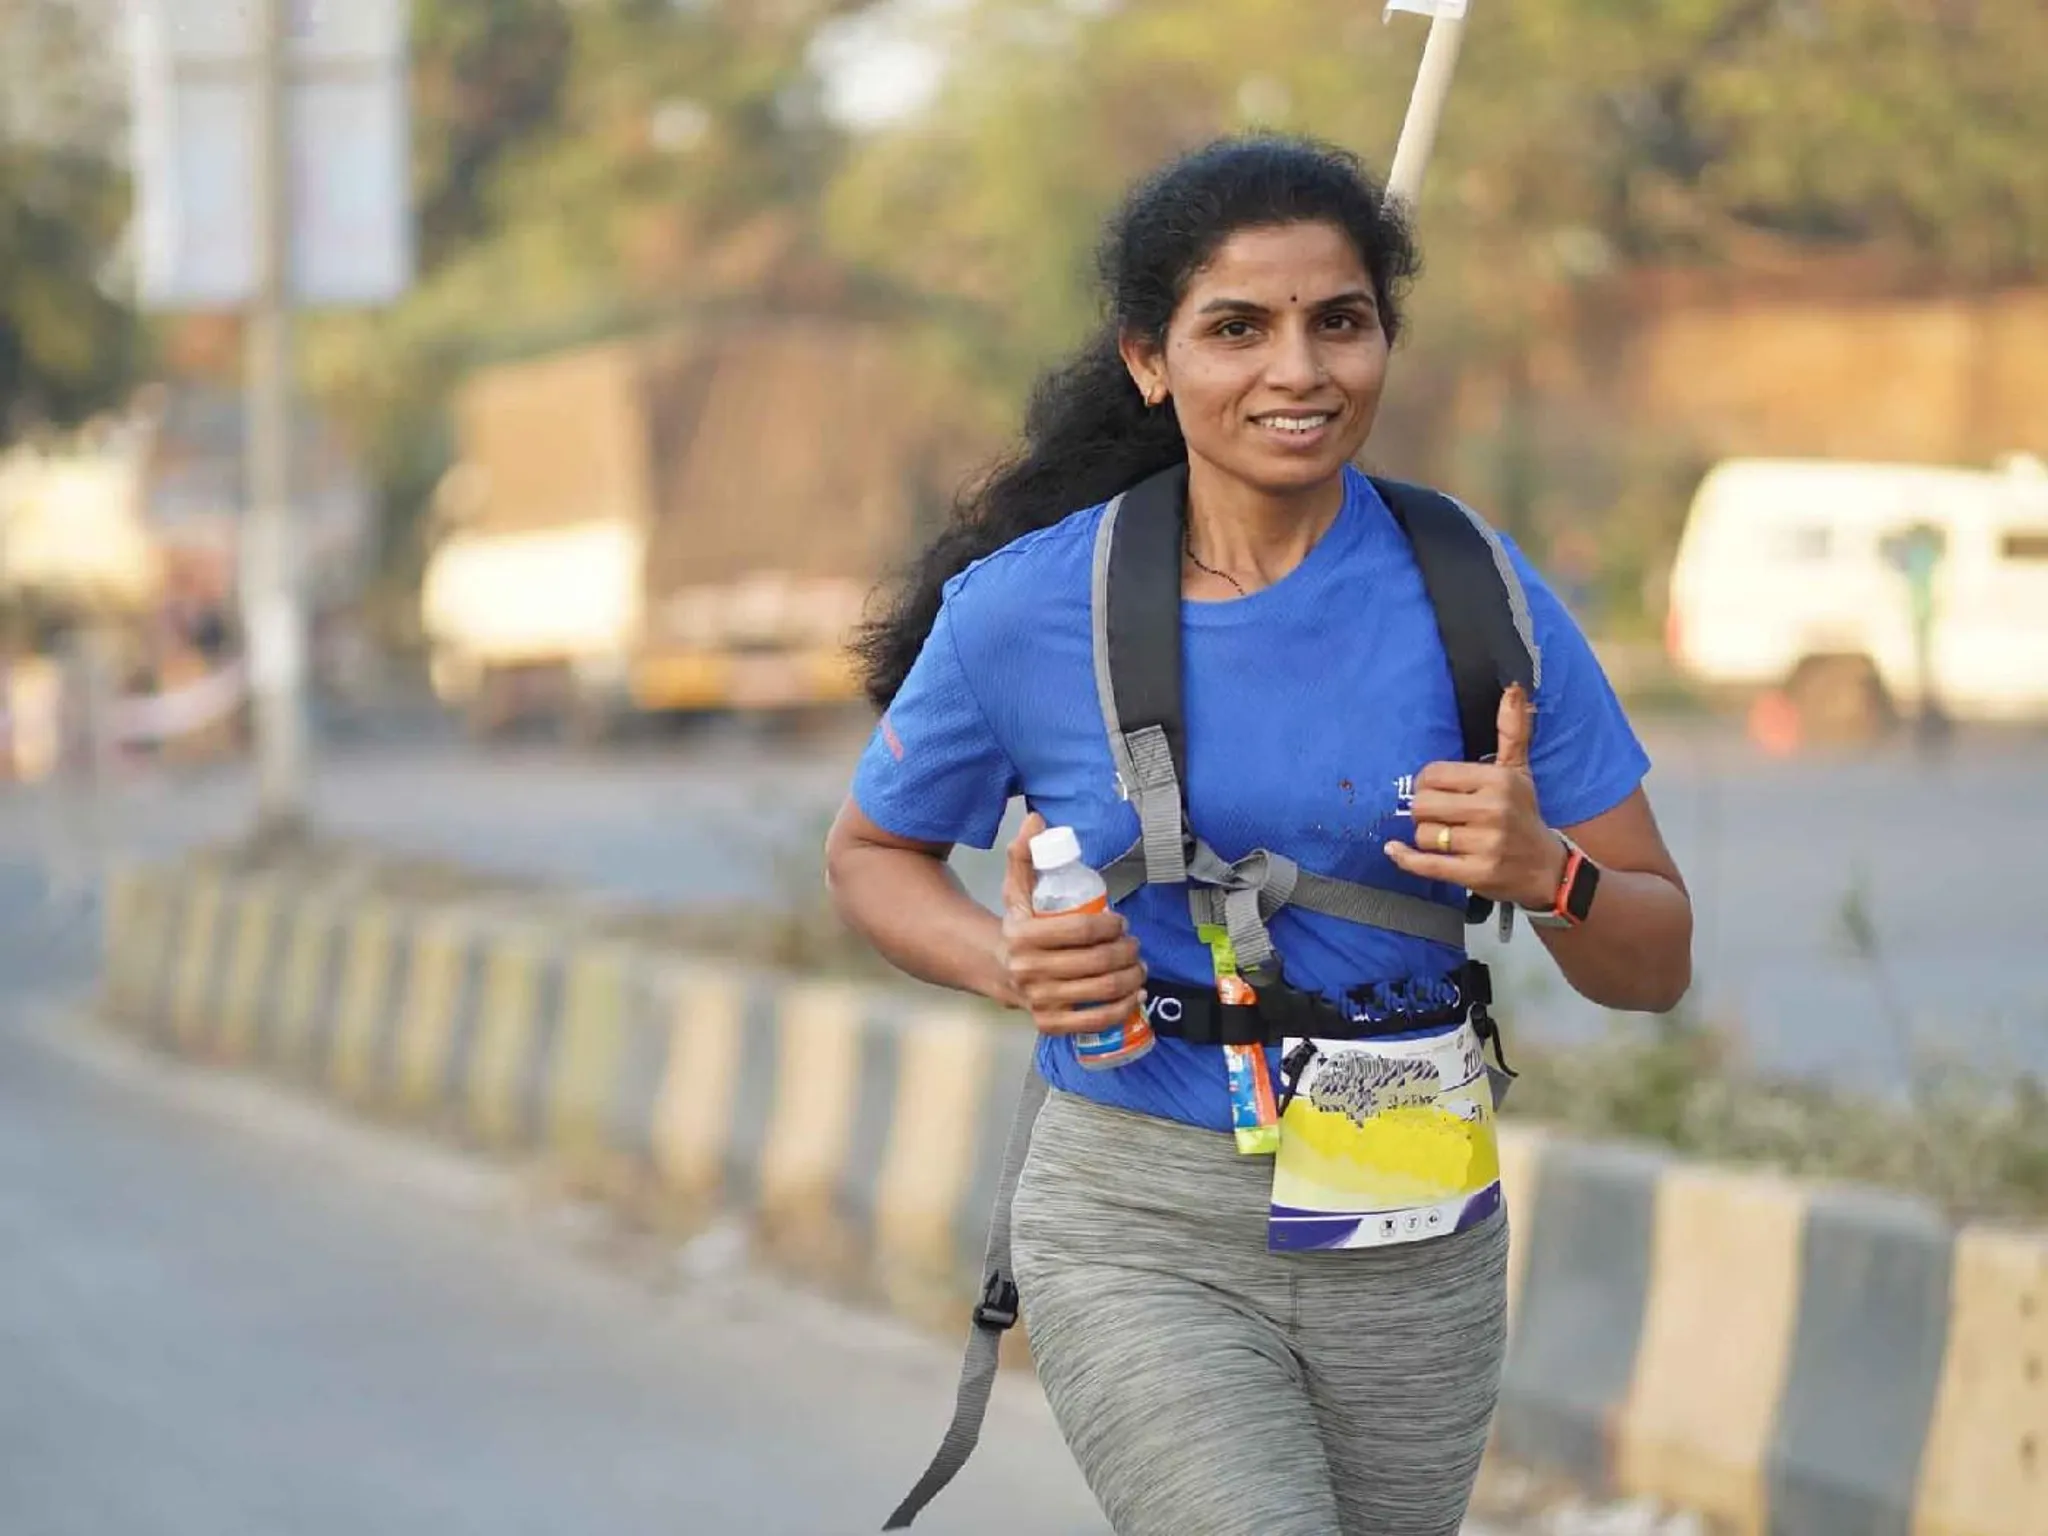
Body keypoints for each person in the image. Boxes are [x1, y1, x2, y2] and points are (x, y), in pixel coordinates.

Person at [824, 135, 1693, 1536]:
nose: (1298, 370)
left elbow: (1653, 960)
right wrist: (1007, 965)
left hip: (1412, 1214)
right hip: (1139, 1219)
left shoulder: (1478, 591)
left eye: (1337, 321)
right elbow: (869, 853)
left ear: (1381, 342)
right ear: (1150, 361)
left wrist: (1552, 872)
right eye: (1238, 328)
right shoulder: (1025, 610)